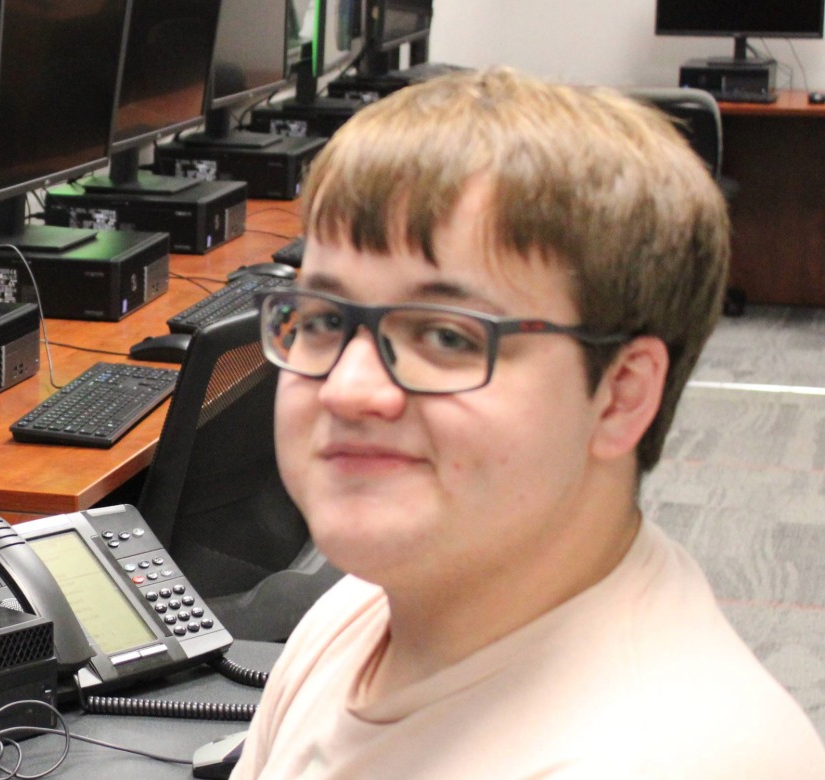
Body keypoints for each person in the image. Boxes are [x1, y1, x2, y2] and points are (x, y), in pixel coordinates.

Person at [232, 68, 825, 778]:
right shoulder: (367, 607)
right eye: (325, 320)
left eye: (447, 336)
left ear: (621, 394)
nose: (349, 389)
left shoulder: (666, 756)